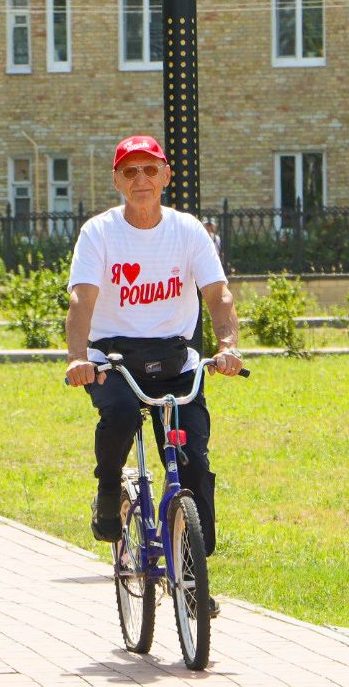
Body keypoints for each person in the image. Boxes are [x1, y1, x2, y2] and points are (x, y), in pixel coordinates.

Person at [63, 135, 244, 563]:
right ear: (117, 180)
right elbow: (81, 299)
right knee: (122, 414)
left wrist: (228, 346)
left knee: (192, 460)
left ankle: (193, 572)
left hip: (176, 359)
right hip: (113, 359)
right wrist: (77, 358)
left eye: (150, 169)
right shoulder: (99, 232)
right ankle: (110, 489)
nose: (141, 179)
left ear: (166, 175)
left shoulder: (187, 230)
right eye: (130, 171)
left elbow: (218, 295)